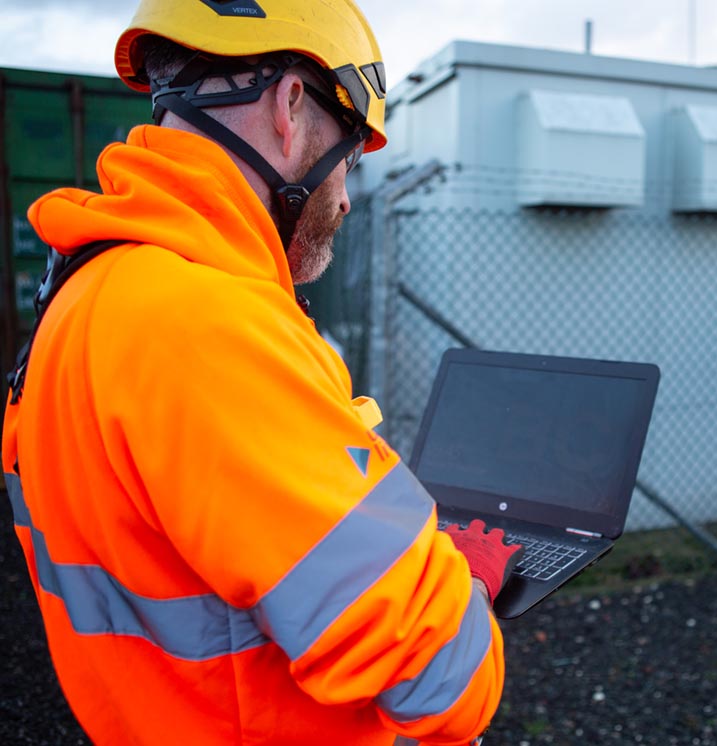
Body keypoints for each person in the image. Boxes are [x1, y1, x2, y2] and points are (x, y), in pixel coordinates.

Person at [1, 1, 523, 744]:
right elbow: (444, 677)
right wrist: (463, 582)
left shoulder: (85, 287)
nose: (344, 195)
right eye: (349, 157)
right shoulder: (205, 325)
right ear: (289, 106)